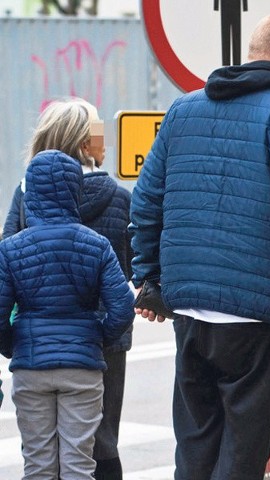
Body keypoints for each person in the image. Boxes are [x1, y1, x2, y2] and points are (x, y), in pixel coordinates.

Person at [129, 13, 270, 480]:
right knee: (241, 458)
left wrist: (150, 279)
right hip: (258, 317)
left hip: (190, 311)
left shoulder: (183, 111)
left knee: (194, 450)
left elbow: (147, 202)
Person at [2, 97, 134, 480]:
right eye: (99, 132)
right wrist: (102, 332)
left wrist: (12, 341)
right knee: (100, 444)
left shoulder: (26, 196)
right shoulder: (120, 200)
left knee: (40, 454)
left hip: (35, 344)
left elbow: (7, 270)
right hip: (103, 344)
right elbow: (128, 275)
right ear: (83, 144)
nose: (105, 138)